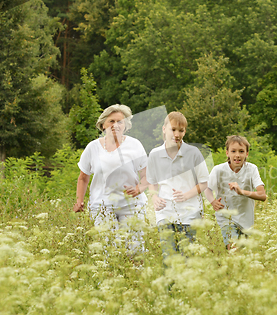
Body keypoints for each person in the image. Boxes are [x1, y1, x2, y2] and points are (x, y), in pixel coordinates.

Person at [73, 104, 149, 250]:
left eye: (120, 121)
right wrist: (79, 201)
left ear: (126, 125)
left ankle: (135, 272)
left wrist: (140, 188)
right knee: (108, 250)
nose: (116, 125)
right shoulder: (93, 147)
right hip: (102, 205)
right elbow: (83, 177)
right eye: (111, 121)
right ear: (103, 125)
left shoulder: (135, 145)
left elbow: (146, 176)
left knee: (134, 248)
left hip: (131, 204)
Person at [146, 112, 210, 262]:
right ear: (164, 129)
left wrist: (186, 195)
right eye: (173, 129)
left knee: (187, 259)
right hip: (164, 214)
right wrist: (154, 197)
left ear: (185, 132)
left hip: (189, 214)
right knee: (169, 257)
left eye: (181, 131)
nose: (177, 134)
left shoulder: (193, 153)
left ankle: (186, 286)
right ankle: (171, 286)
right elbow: (152, 182)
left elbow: (204, 183)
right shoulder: (154, 154)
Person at [208, 135, 267, 249]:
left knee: (243, 256)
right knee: (234, 250)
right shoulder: (218, 170)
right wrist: (212, 202)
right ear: (227, 153)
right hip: (226, 218)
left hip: (246, 219)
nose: (237, 155)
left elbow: (262, 195)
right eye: (233, 151)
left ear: (247, 154)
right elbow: (207, 188)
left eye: (241, 151)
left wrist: (242, 192)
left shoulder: (252, 169)